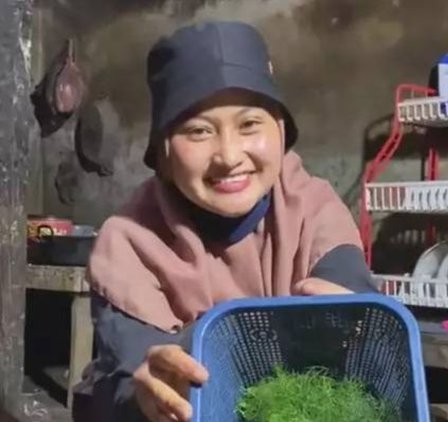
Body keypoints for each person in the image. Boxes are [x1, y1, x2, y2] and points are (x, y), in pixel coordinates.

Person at [72, 21, 376, 422]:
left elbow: (352, 299)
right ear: (163, 152)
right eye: (198, 131)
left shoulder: (312, 206)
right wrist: (146, 395)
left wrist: (357, 323)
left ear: (280, 131)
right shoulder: (128, 244)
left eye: (250, 124)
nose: (229, 156)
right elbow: (133, 375)